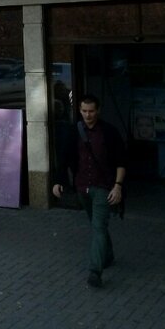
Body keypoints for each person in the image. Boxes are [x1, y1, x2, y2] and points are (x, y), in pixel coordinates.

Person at [52, 94, 127, 288]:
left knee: (98, 226)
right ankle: (107, 254)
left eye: (91, 111)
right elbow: (64, 157)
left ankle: (95, 270)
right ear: (79, 110)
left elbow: (121, 161)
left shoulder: (109, 132)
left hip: (103, 186)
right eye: (84, 111)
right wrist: (59, 181)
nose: (88, 115)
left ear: (98, 110)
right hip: (82, 186)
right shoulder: (74, 131)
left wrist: (118, 186)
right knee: (96, 223)